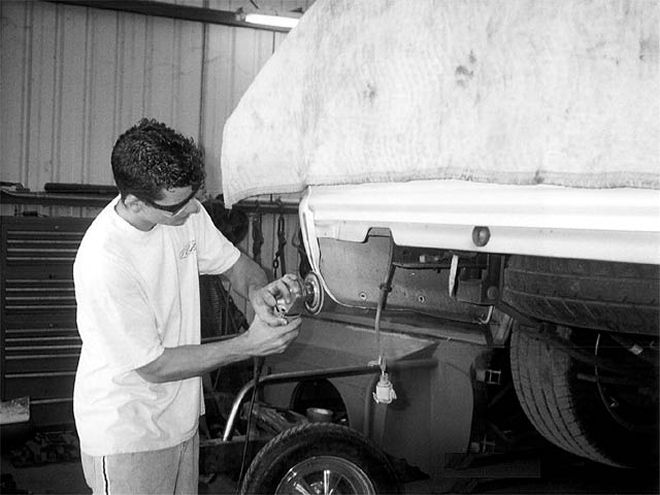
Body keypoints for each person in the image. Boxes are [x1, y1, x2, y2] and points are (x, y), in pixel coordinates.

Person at [72, 118, 302, 494]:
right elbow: (154, 365)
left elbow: (237, 266)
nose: (191, 211)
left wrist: (258, 292)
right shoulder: (104, 261)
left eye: (192, 198)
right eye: (177, 205)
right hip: (128, 433)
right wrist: (248, 344)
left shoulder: (185, 212)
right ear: (132, 202)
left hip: (180, 422)